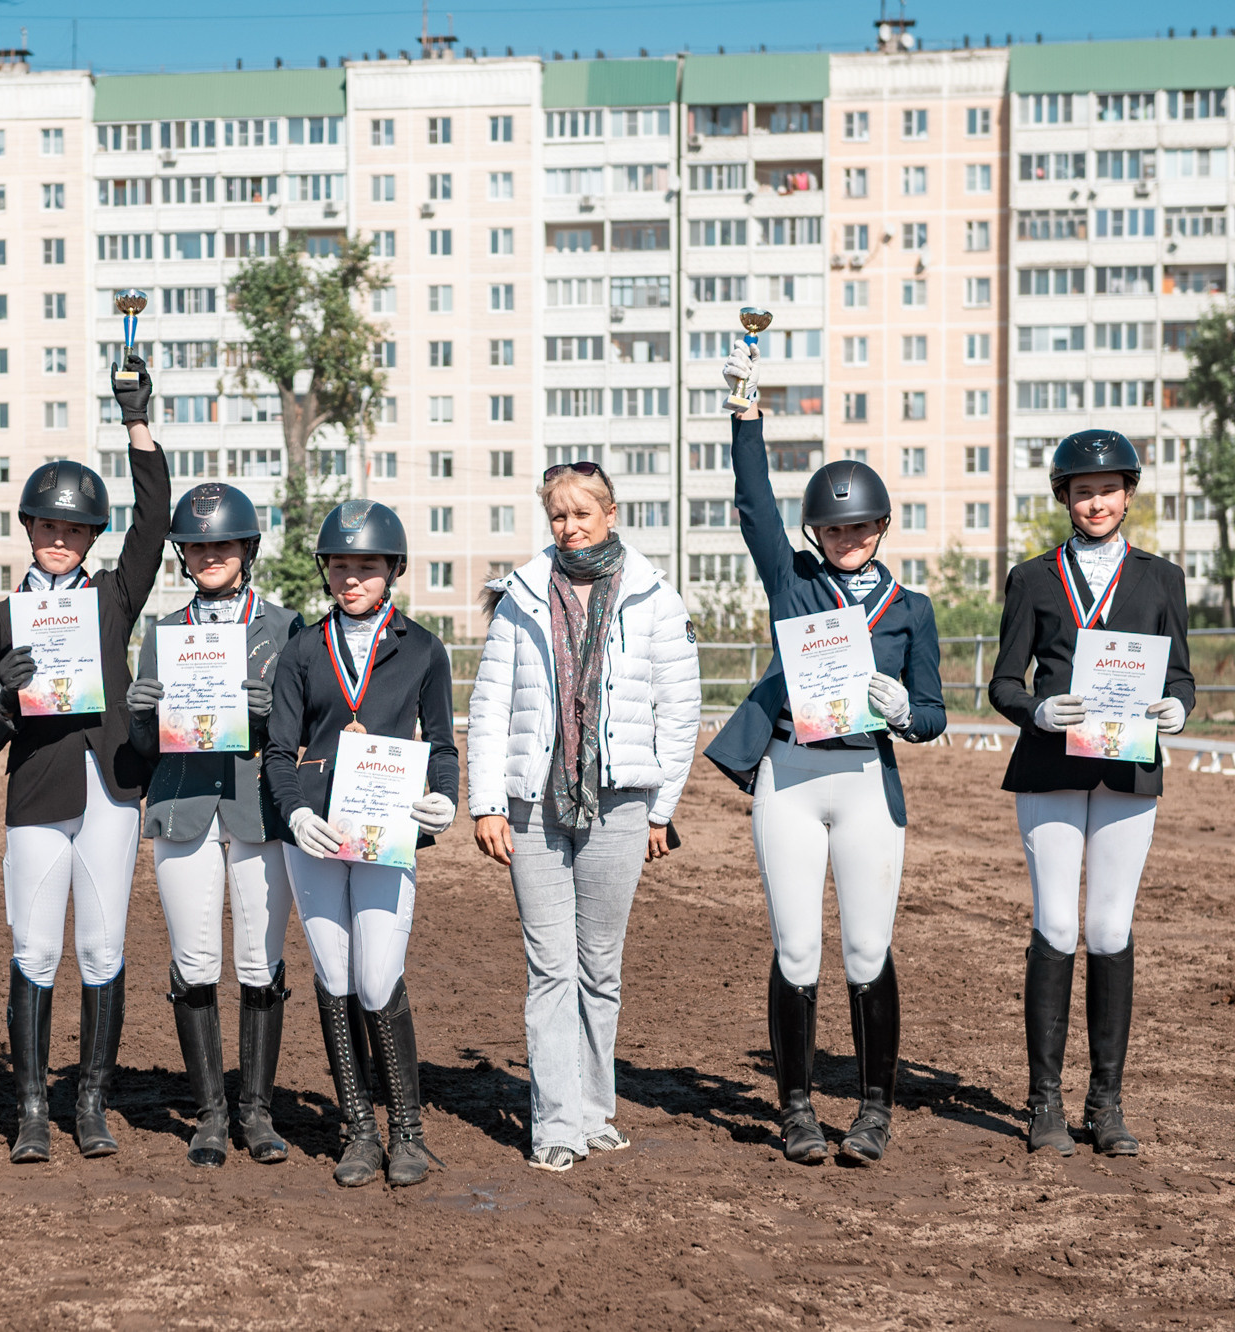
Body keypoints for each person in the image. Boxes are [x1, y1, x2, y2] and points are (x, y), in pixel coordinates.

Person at [702, 342, 947, 1166]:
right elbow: (754, 506)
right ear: (818, 531)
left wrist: (905, 710)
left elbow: (934, 715)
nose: (847, 537)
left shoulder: (913, 609)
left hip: (867, 778)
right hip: (791, 777)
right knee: (798, 948)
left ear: (881, 527)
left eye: (860, 525)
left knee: (867, 950)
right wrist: (746, 417)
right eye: (834, 527)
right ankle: (797, 1107)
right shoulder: (794, 582)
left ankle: (875, 1110)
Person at [468, 461, 701, 1172]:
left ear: (610, 513)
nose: (569, 528)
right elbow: (490, 705)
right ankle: (555, 1126)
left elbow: (679, 710)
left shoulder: (655, 596)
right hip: (533, 805)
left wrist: (662, 809)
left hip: (621, 803)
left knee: (600, 968)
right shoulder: (519, 596)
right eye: (558, 516)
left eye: (582, 514)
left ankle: (596, 1111)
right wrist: (487, 802)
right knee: (550, 968)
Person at [0, 354, 170, 1164]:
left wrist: (136, 423)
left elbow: (154, 522)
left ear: (91, 536)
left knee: (101, 949)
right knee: (34, 950)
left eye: (76, 530)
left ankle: (90, 1104)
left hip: (112, 792)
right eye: (49, 528)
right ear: (30, 529)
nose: (61, 540)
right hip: (37, 795)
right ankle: (29, 1109)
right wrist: (6, 697)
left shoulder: (113, 598)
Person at [989, 431, 1191, 1158]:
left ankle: (1106, 1104)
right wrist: (1035, 710)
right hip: (1051, 764)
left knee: (1109, 928)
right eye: (1082, 492)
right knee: (1055, 923)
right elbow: (1004, 682)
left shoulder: (1162, 578)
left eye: (1108, 490)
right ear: (1065, 498)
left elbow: (1180, 674)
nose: (1096, 502)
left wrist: (1179, 708)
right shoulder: (1033, 577)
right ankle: (1044, 1103)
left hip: (1128, 767)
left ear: (1127, 495)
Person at [261, 500, 461, 1189]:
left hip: (387, 828)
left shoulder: (424, 649)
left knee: (378, 977)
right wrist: (293, 814)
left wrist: (446, 797)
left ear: (392, 570)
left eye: (366, 566)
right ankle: (359, 1130)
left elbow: (442, 742)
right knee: (336, 977)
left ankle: (407, 1128)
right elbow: (279, 751)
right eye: (340, 565)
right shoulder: (301, 649)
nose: (351, 578)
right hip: (315, 833)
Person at [124, 483, 302, 1168]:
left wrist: (273, 714)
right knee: (195, 962)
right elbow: (146, 748)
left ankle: (256, 1111)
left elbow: (303, 732)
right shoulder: (163, 633)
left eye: (222, 544)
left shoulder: (286, 628)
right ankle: (209, 1114)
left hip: (258, 807)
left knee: (259, 962)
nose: (209, 555)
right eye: (197, 546)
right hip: (184, 805)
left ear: (247, 549)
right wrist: (141, 715)